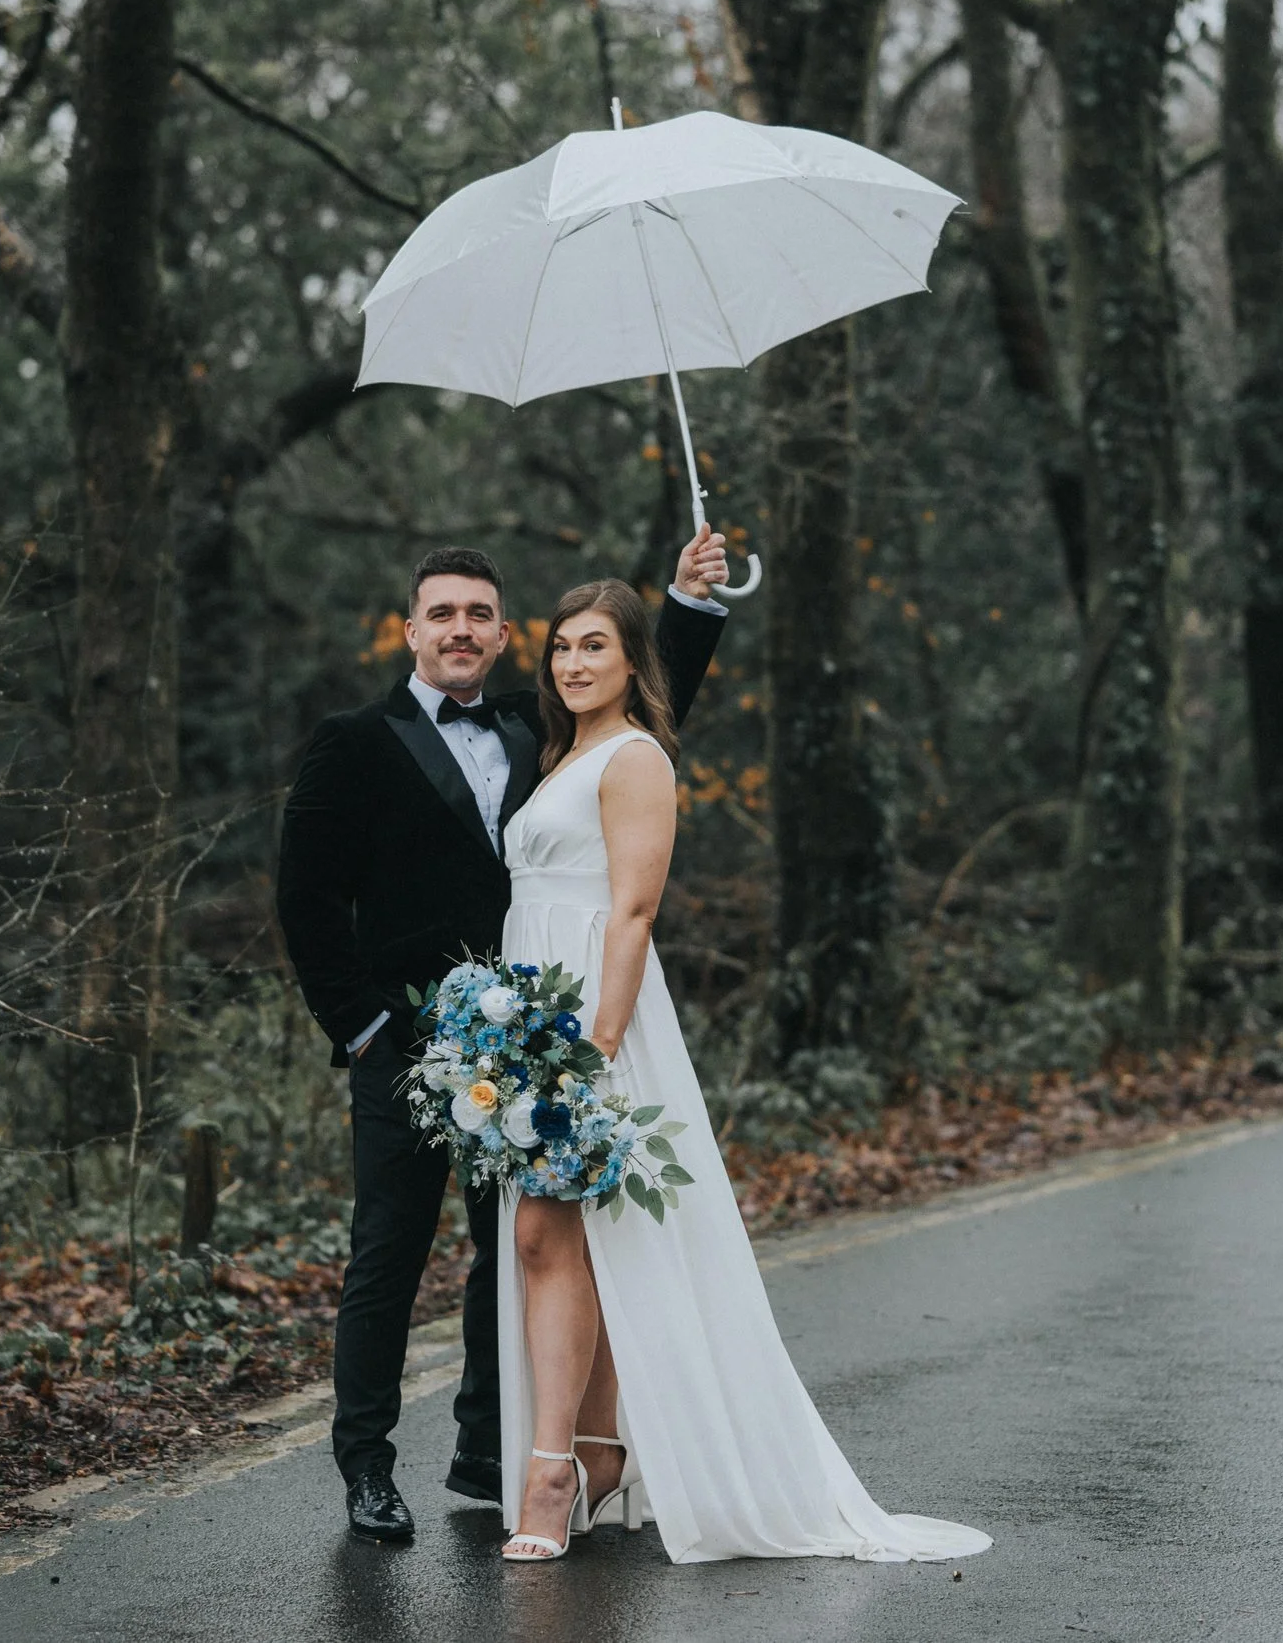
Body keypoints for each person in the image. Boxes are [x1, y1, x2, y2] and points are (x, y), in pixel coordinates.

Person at [493, 578, 990, 1565]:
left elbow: (631, 911)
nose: (573, 663)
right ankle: (594, 1450)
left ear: (634, 660)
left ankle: (552, 1471)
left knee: (549, 1229)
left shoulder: (634, 757)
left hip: (591, 1021)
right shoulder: (563, 753)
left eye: (594, 646)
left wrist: (596, 1042)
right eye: (560, 647)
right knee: (574, 1238)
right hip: (527, 1015)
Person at [277, 534, 732, 1544]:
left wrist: (689, 604)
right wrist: (359, 1027)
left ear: (501, 631)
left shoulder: (545, 728)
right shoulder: (352, 740)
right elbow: (305, 897)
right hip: (405, 1049)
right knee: (387, 1252)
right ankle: (367, 1463)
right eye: (442, 613)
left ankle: (488, 1445)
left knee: (517, 1246)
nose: (461, 629)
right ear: (410, 629)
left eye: (479, 613)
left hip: (529, 1044)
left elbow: (642, 719)